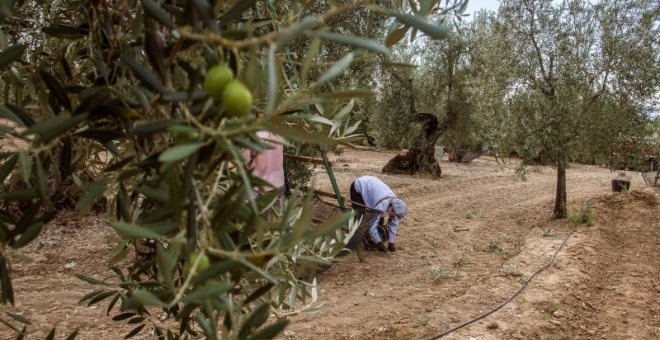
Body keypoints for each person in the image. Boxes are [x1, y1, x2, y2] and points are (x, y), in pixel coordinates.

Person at [350, 175, 407, 252]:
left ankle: (371, 237)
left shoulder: (396, 204)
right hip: (359, 186)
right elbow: (372, 224)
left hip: (371, 185)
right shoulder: (382, 205)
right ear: (391, 209)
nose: (393, 217)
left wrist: (391, 242)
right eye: (393, 215)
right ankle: (354, 238)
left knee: (377, 217)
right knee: (361, 216)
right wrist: (379, 243)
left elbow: (393, 223)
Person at [243, 130, 285, 198]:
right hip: (278, 182)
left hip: (256, 182)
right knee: (277, 208)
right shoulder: (279, 135)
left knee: (251, 208)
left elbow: (244, 159)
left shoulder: (254, 136)